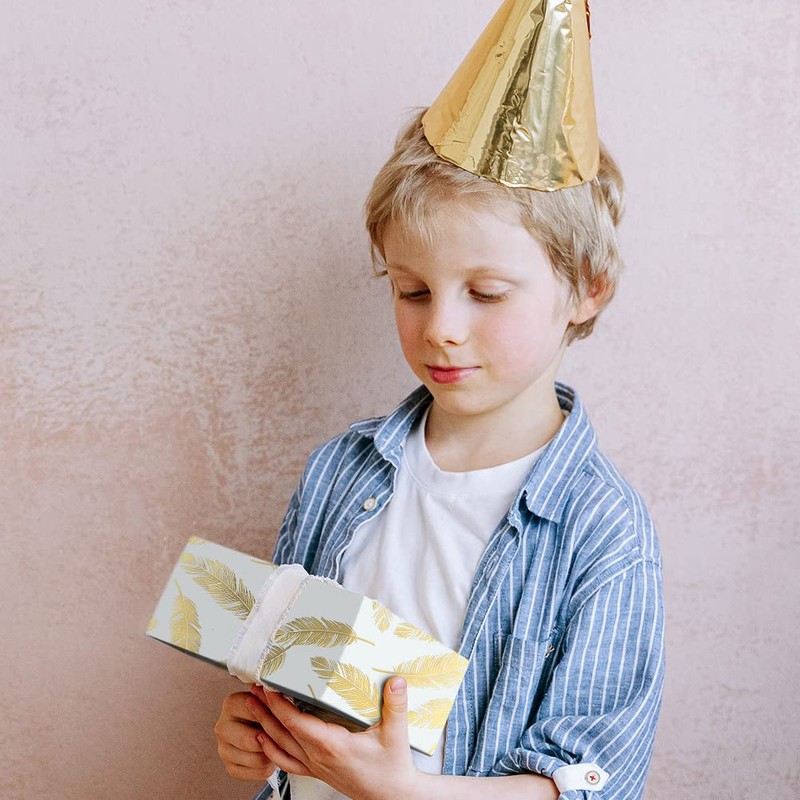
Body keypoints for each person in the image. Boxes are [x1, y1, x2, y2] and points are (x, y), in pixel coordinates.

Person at [214, 4, 663, 797]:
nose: (441, 329)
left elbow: (591, 783)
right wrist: (253, 736)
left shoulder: (603, 531)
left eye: (486, 293)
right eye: (413, 290)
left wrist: (404, 792)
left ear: (586, 290)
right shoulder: (339, 472)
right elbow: (280, 672)